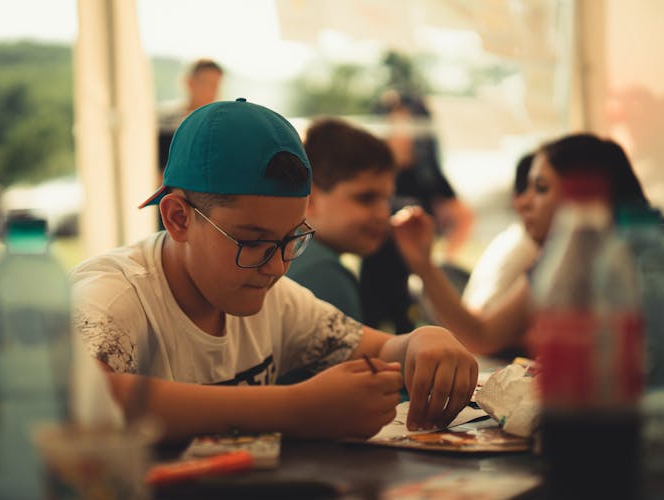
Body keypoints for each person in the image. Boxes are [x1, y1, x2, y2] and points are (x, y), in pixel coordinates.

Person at [70, 98, 478, 443]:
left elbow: (381, 350)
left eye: (291, 239)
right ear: (178, 219)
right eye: (252, 241)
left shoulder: (273, 300)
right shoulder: (114, 297)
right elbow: (82, 397)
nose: (278, 266)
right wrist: (295, 408)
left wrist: (424, 342)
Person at [389, 133, 651, 357]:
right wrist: (423, 264)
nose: (522, 203)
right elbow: (482, 335)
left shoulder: (644, 258)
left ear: (583, 192)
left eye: (540, 188)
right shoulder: (554, 261)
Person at [359, 91, 473, 333]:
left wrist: (444, 259)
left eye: (407, 124)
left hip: (413, 271)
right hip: (375, 268)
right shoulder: (375, 172)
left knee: (412, 332)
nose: (400, 132)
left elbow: (464, 217)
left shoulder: (428, 174)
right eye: (393, 123)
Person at [286, 117, 395, 322]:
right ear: (310, 199)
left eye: (386, 199)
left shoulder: (289, 253)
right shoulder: (322, 273)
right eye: (366, 198)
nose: (383, 214)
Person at [460, 152, 540, 313]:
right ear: (518, 200)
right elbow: (482, 322)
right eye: (541, 189)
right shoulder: (528, 249)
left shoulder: (517, 237)